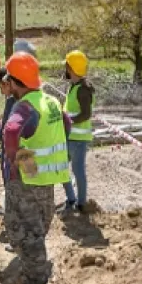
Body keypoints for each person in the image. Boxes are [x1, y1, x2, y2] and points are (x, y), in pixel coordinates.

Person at [1, 52, 72, 284]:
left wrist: (15, 160)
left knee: (22, 231)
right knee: (37, 229)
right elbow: (67, 123)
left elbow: (11, 131)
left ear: (15, 81)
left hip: (29, 177)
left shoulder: (25, 106)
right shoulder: (50, 100)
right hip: (48, 177)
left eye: (7, 79)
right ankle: (33, 276)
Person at [62, 50, 95, 214]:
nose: (65, 69)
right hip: (69, 136)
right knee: (61, 168)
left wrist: (68, 120)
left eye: (67, 66)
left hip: (78, 139)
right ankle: (71, 198)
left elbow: (86, 114)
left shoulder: (83, 89)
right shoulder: (74, 87)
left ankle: (81, 203)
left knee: (77, 170)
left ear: (71, 68)